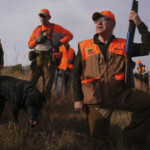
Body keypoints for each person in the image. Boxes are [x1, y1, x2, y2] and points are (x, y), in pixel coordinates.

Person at [72, 10, 150, 148]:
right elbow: (76, 74)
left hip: (121, 95)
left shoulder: (125, 45)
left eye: (103, 19)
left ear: (113, 24)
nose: (99, 23)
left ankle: (130, 140)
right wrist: (78, 99)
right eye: (97, 21)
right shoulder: (84, 46)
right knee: (99, 143)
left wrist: (139, 23)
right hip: (97, 102)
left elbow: (147, 47)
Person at [28, 8, 73, 100]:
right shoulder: (36, 29)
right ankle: (30, 104)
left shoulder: (56, 27)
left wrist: (60, 43)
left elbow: (70, 35)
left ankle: (46, 108)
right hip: (36, 59)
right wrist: (36, 41)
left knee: (47, 87)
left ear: (49, 17)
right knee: (30, 84)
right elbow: (29, 44)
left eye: (44, 16)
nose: (42, 18)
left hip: (49, 60)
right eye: (40, 16)